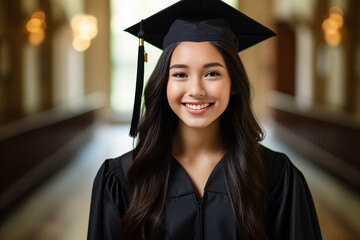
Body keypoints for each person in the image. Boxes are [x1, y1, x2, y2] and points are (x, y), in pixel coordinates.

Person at [87, 0, 322, 239]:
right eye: (180, 74)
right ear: (163, 83)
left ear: (234, 84)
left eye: (212, 73)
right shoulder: (123, 178)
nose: (196, 90)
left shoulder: (275, 177)